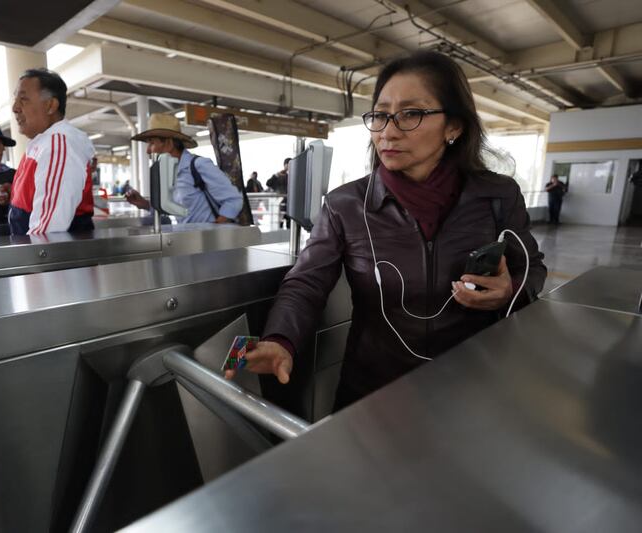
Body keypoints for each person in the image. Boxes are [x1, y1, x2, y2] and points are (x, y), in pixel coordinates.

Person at [226, 51, 547, 411]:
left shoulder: (497, 196)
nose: (388, 131)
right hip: (373, 387)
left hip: (471, 381)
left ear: (454, 127)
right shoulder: (346, 205)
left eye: (411, 113)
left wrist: (510, 290)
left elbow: (532, 268)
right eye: (380, 115)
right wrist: (280, 338)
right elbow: (307, 282)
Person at [9, 68, 95, 235]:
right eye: (15, 99)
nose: (15, 108)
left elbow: (48, 230)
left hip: (51, 258)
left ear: (50, 106)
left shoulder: (58, 145)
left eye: (23, 99)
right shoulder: (42, 143)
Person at [125, 113, 243, 223]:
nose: (147, 150)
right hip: (187, 239)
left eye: (151, 143)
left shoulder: (198, 165)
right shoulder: (170, 172)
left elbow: (234, 200)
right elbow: (177, 209)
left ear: (168, 143)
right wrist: (144, 204)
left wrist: (213, 230)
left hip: (206, 241)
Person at [267, 158, 291, 228]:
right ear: (285, 165)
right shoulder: (278, 175)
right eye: (289, 164)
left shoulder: (292, 176)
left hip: (288, 205)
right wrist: (275, 175)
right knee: (279, 225)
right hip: (280, 204)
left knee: (289, 226)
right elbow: (268, 183)